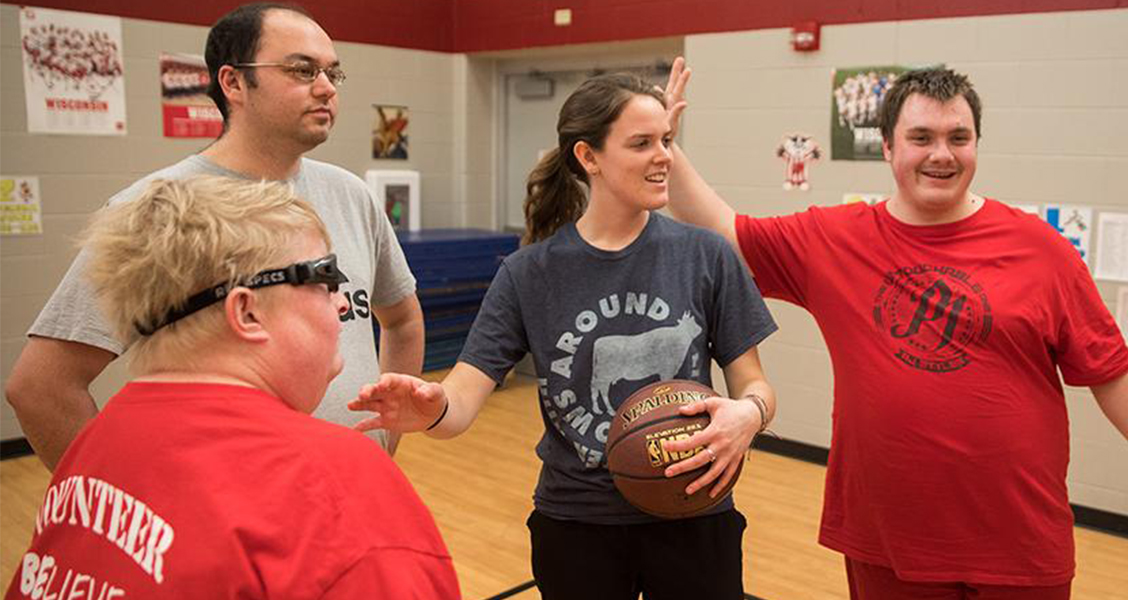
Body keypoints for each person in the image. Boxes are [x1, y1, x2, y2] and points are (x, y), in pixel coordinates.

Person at [662, 59, 1128, 598]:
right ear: (889, 148)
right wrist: (666, 143)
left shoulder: (1041, 249)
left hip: (1019, 541)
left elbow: (1112, 371)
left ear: (975, 145)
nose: (941, 154)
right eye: (921, 137)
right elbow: (722, 229)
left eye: (958, 137)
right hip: (889, 540)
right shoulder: (832, 239)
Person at [349, 72, 778, 600]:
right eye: (642, 143)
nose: (664, 155)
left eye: (667, 139)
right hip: (577, 523)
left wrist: (748, 414)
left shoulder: (706, 255)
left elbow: (754, 383)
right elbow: (460, 398)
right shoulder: (529, 273)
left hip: (695, 508)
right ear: (588, 156)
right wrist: (432, 409)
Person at [5, 2, 423, 469]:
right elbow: (41, 388)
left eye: (332, 73)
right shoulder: (155, 211)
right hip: (227, 520)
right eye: (302, 70)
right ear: (233, 82)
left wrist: (384, 439)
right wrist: (134, 504)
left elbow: (402, 320)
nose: (325, 88)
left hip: (352, 491)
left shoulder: (352, 195)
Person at [4, 176, 459, 599]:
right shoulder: (333, 478)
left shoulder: (97, 443)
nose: (342, 302)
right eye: (324, 278)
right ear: (246, 312)